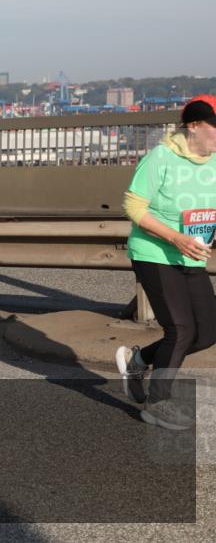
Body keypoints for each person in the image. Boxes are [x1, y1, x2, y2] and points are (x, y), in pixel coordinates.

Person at [116, 94, 216, 430]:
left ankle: (139, 359)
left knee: (206, 332)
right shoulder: (160, 159)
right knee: (181, 329)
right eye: (215, 127)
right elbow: (133, 207)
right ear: (193, 127)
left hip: (191, 255)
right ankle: (157, 403)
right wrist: (175, 238)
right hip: (154, 253)